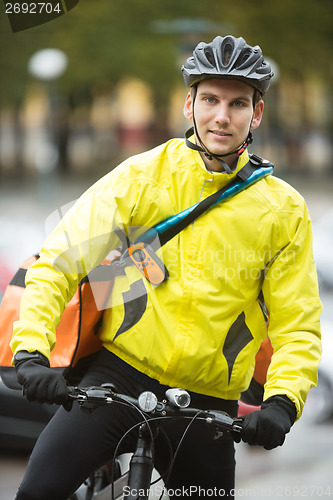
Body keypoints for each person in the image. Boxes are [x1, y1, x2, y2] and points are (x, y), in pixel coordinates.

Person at [11, 35, 322, 499]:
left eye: (238, 103)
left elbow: (298, 324)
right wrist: (32, 352)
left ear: (256, 114)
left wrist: (282, 402)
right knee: (38, 492)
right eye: (210, 99)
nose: (222, 116)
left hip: (206, 401)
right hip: (118, 377)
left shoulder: (284, 211)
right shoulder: (141, 177)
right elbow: (58, 263)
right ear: (188, 104)